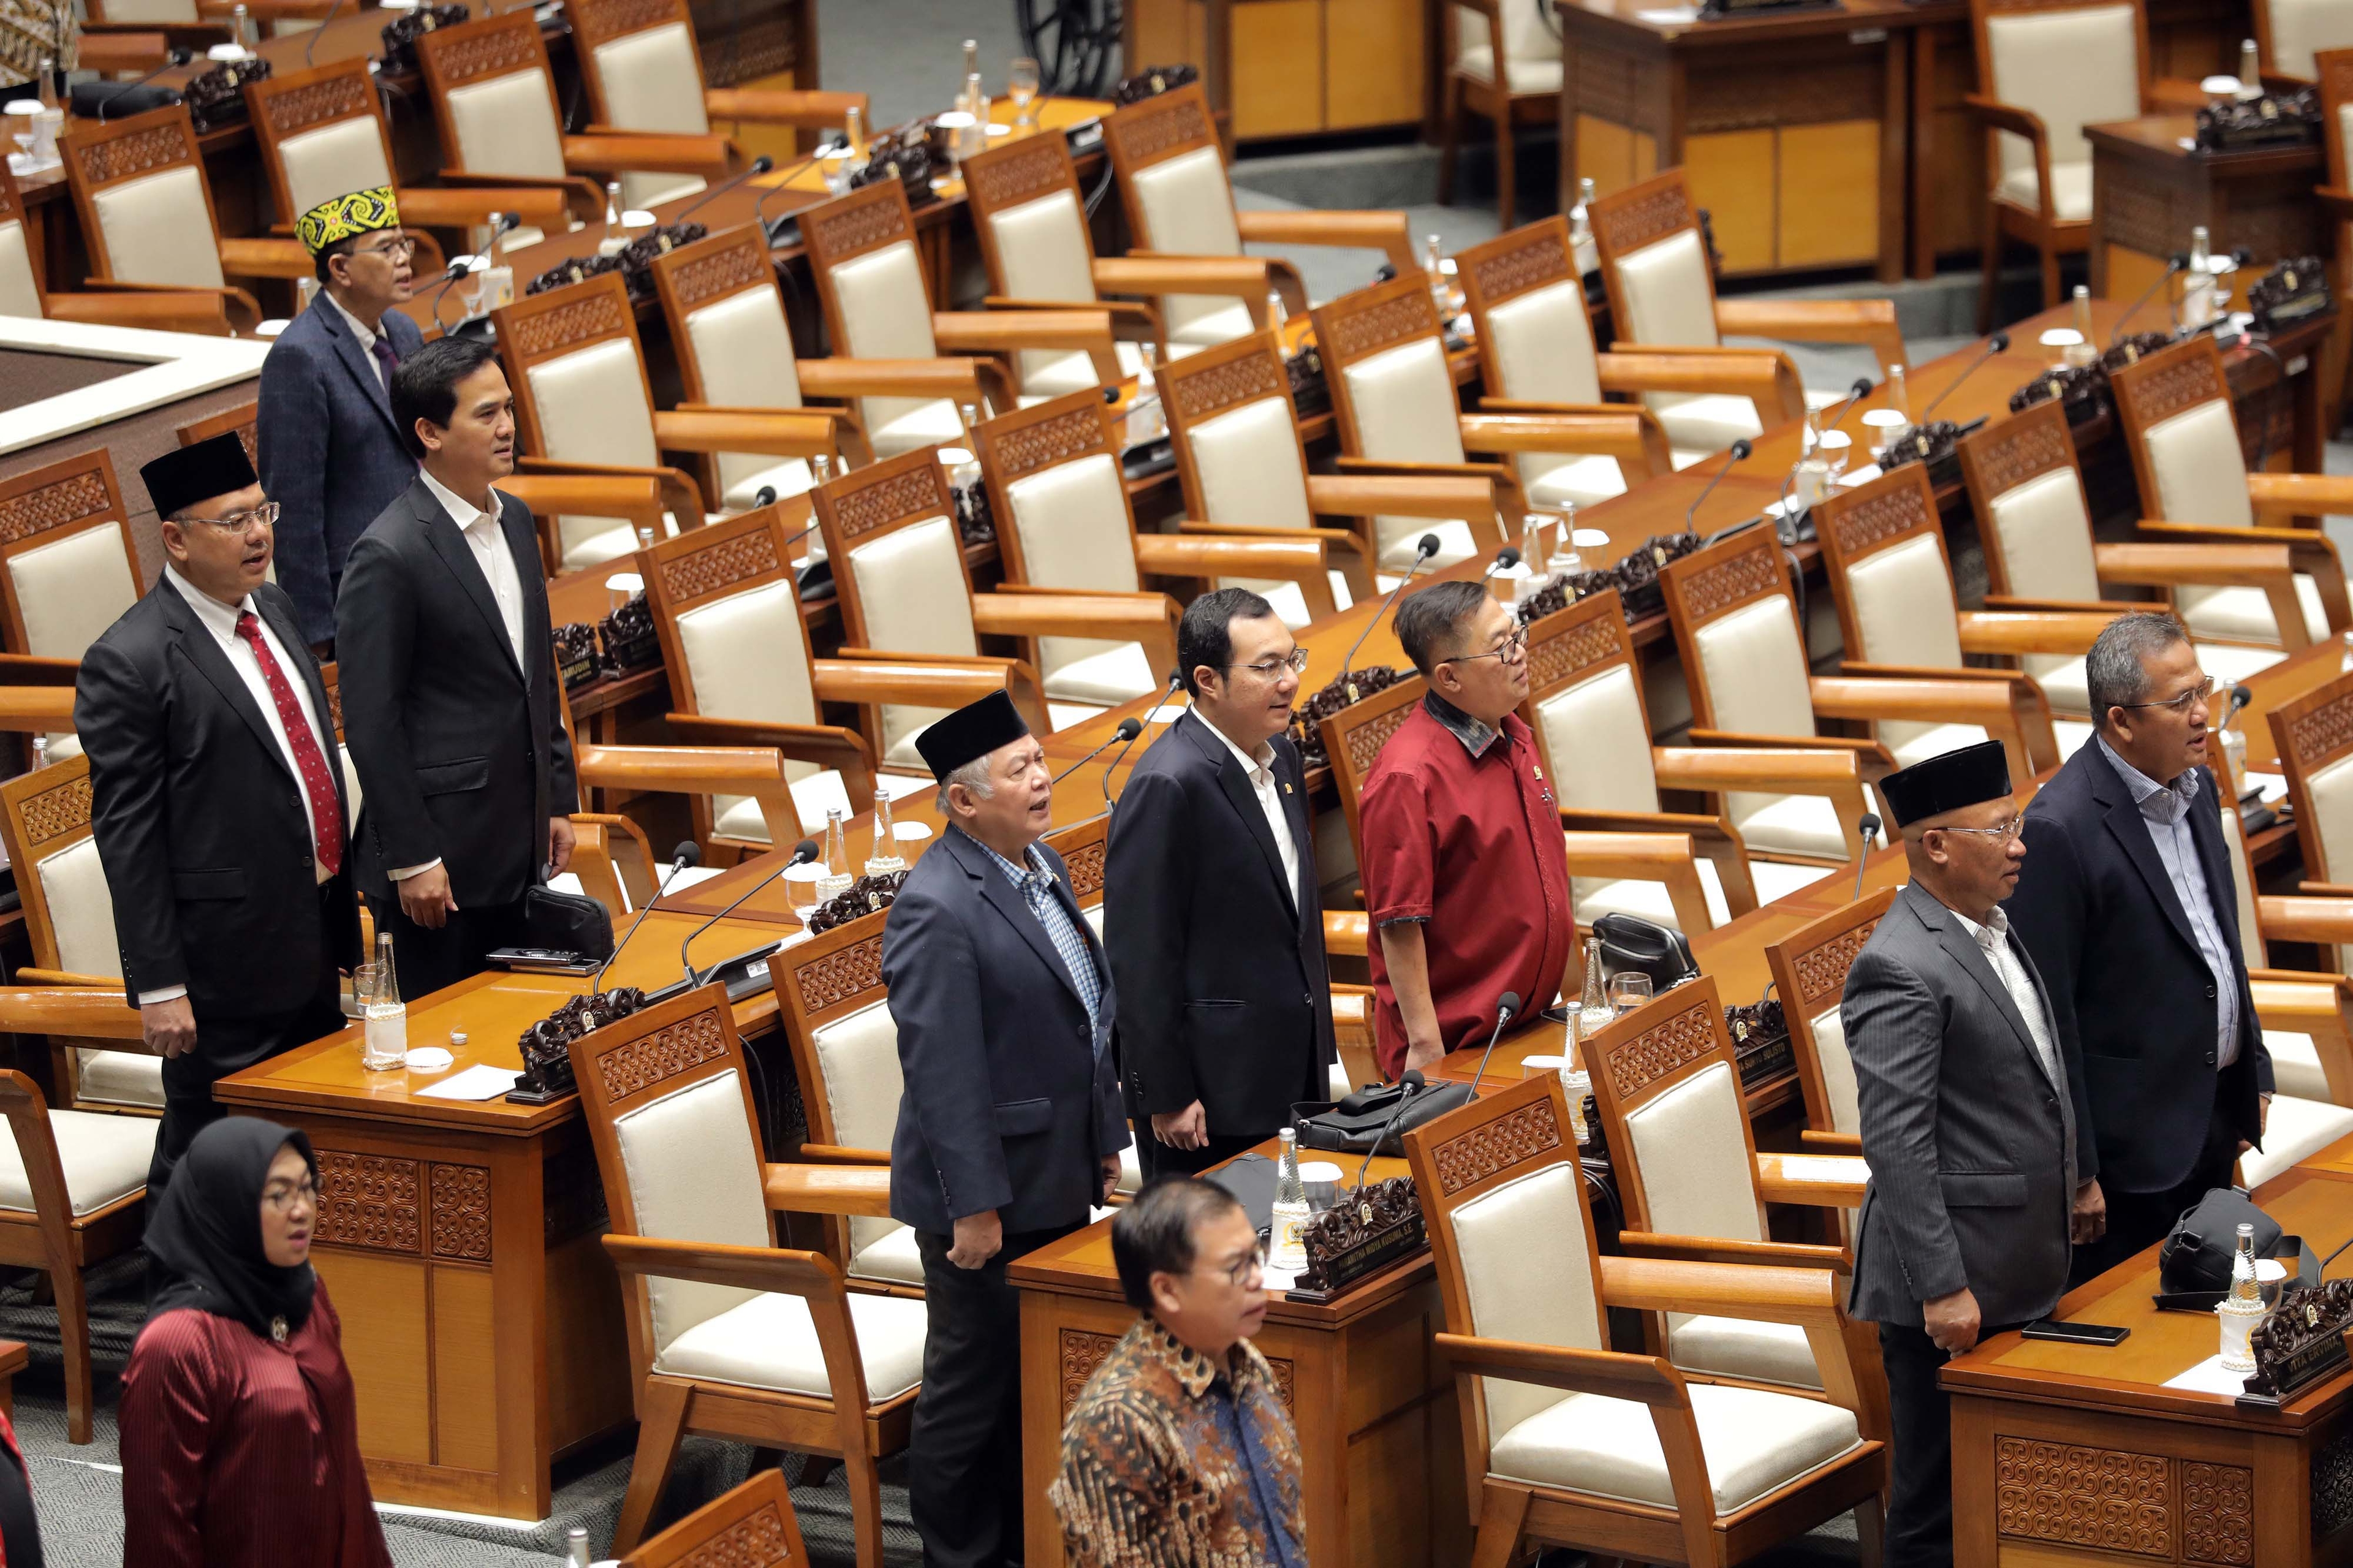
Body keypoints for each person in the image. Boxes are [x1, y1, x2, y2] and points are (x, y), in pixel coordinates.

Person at [75, 436, 361, 1195]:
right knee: (205, 1160)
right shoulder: (131, 660)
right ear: (176, 539)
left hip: (310, 934)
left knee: (298, 1153)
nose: (259, 534)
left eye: (263, 513)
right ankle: (167, 1276)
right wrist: (159, 984)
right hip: (221, 966)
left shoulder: (275, 606)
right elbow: (129, 836)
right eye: (234, 522)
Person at [882, 690, 1127, 1568]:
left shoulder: (1038, 862)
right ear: (962, 799)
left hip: (1053, 1172)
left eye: (1040, 761)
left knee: (1031, 1381)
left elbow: (1082, 1015)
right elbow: (943, 1076)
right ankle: (954, 1555)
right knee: (970, 1390)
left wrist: (1103, 1138)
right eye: (1020, 769)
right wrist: (974, 1207)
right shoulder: (935, 905)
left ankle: (1024, 1546)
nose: (1043, 780)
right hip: (987, 1197)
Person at [1843, 740, 2093, 1568]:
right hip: (1952, 1282)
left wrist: (2078, 1177)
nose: (2020, 845)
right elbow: (1897, 1142)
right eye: (1998, 830)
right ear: (1937, 845)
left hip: (2015, 1256)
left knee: (2007, 1493)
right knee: (1937, 1508)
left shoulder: (1990, 924)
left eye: (2017, 823)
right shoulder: (1897, 965)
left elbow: (2039, 1069)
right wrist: (1943, 1286)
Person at [2007, 613, 2271, 1282]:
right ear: (2121, 721)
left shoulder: (2197, 785)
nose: (2202, 714)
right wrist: (2079, 1170)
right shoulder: (2058, 830)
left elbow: (2220, 945)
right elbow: (2047, 1019)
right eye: (2180, 701)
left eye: (2203, 690)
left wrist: (2255, 1072)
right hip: (2132, 1158)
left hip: (2212, 1115)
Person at [338, 334, 577, 1001]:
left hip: (519, 843)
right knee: (452, 1039)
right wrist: (413, 856)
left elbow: (535, 673)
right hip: (438, 867)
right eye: (486, 414)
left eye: (509, 408)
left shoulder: (517, 519)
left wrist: (556, 797)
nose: (507, 427)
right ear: (429, 432)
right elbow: (372, 722)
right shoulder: (388, 553)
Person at [1107, 589, 1334, 1177]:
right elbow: (1139, 955)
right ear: (1207, 680)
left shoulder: (1281, 755)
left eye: (1292, 660)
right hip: (1210, 1097)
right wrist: (1167, 1092)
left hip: (1291, 1064)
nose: (1289, 681)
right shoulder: (1168, 784)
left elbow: (1291, 911)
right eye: (1267, 667)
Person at [119, 1117, 391, 1567]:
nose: (301, 1209)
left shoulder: (307, 1295)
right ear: (227, 1204)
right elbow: (160, 1529)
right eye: (279, 1195)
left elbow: (347, 1472)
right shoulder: (177, 1345)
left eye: (307, 1188)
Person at [1358, 580, 1573, 1078]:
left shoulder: (1512, 731)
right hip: (1462, 1050)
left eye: (1516, 635)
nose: (1519, 653)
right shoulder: (1407, 777)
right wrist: (1426, 1049)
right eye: (1500, 648)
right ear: (1449, 677)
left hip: (1533, 1020)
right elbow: (1400, 923)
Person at [1050, 1175, 1305, 1568]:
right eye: (1235, 1268)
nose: (1258, 1279)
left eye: (1255, 1258)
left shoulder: (1244, 1360)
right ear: (1167, 1290)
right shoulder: (1116, 1423)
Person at [256, 186, 425, 653]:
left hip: (431, 562)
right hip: (361, 589)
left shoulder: (404, 332)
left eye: (404, 244)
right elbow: (293, 507)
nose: (404, 259)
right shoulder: (300, 357)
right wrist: (317, 635)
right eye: (386, 249)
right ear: (340, 269)